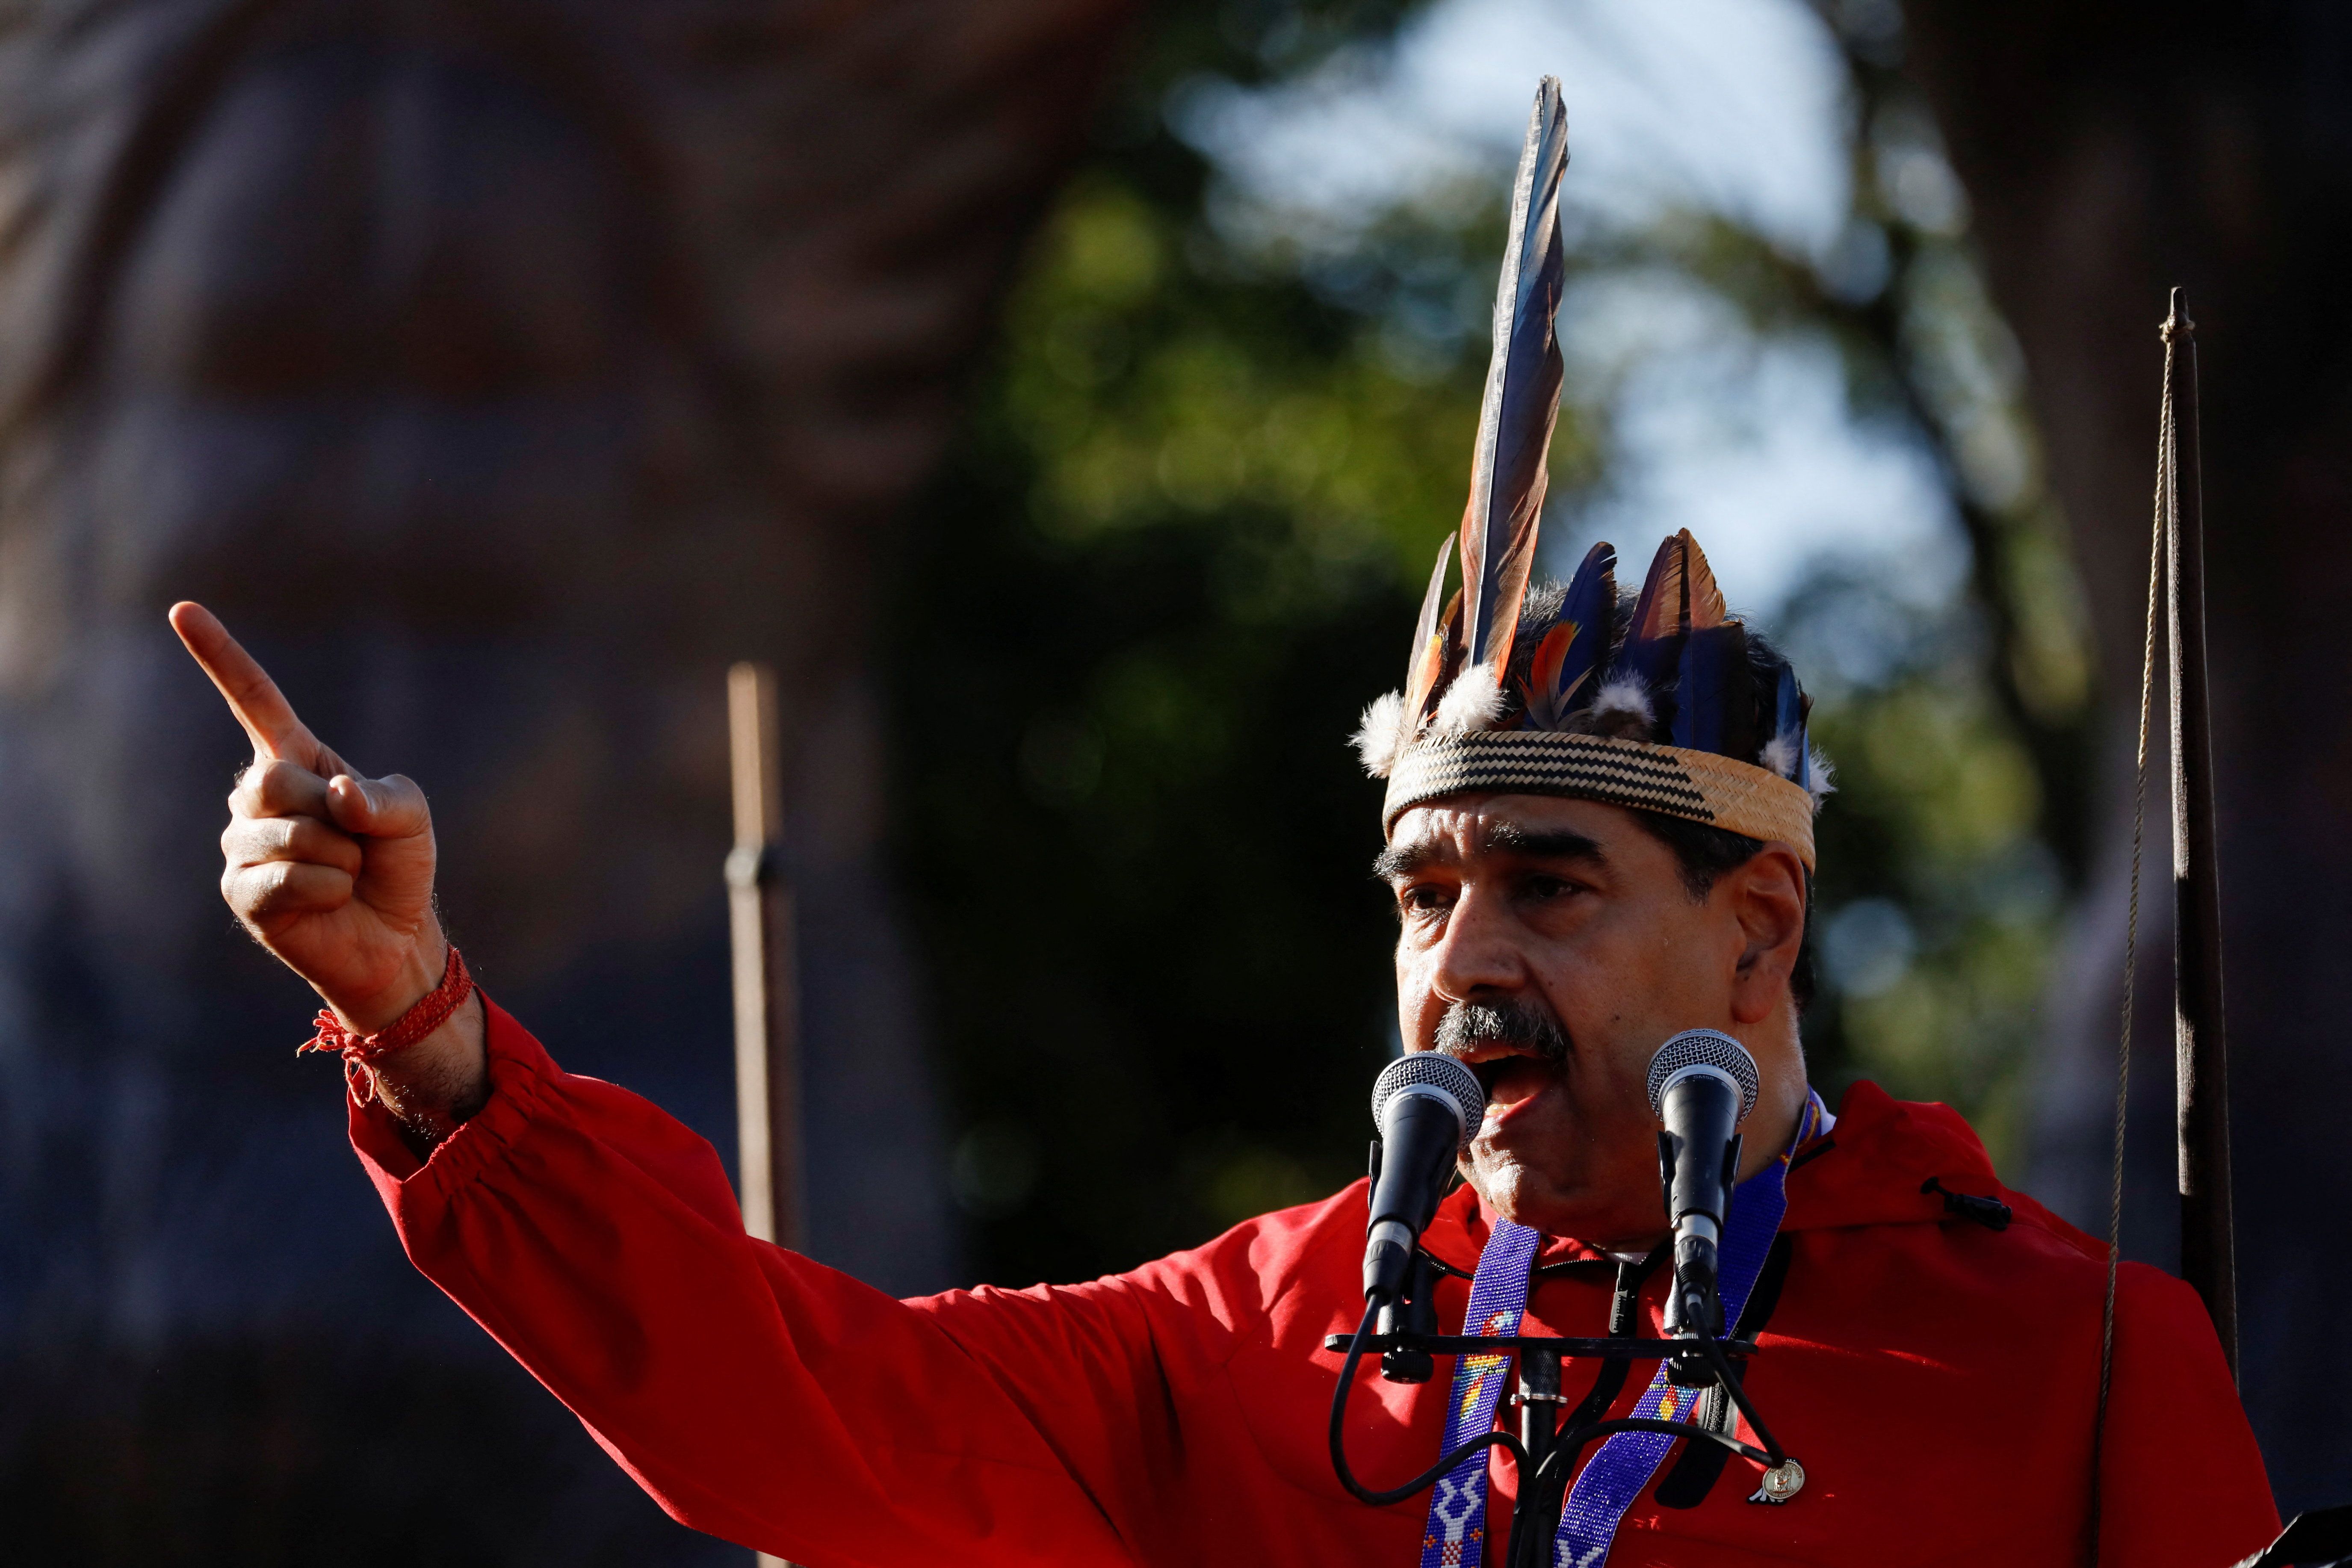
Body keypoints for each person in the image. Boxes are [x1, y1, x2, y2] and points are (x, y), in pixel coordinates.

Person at [168, 511, 2279, 1564]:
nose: (1456, 957)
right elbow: (792, 1392)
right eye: (1416, 892)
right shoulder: (1248, 1335)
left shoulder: (2072, 1354)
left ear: (1757, 926)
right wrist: (431, 1033)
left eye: (1543, 884)